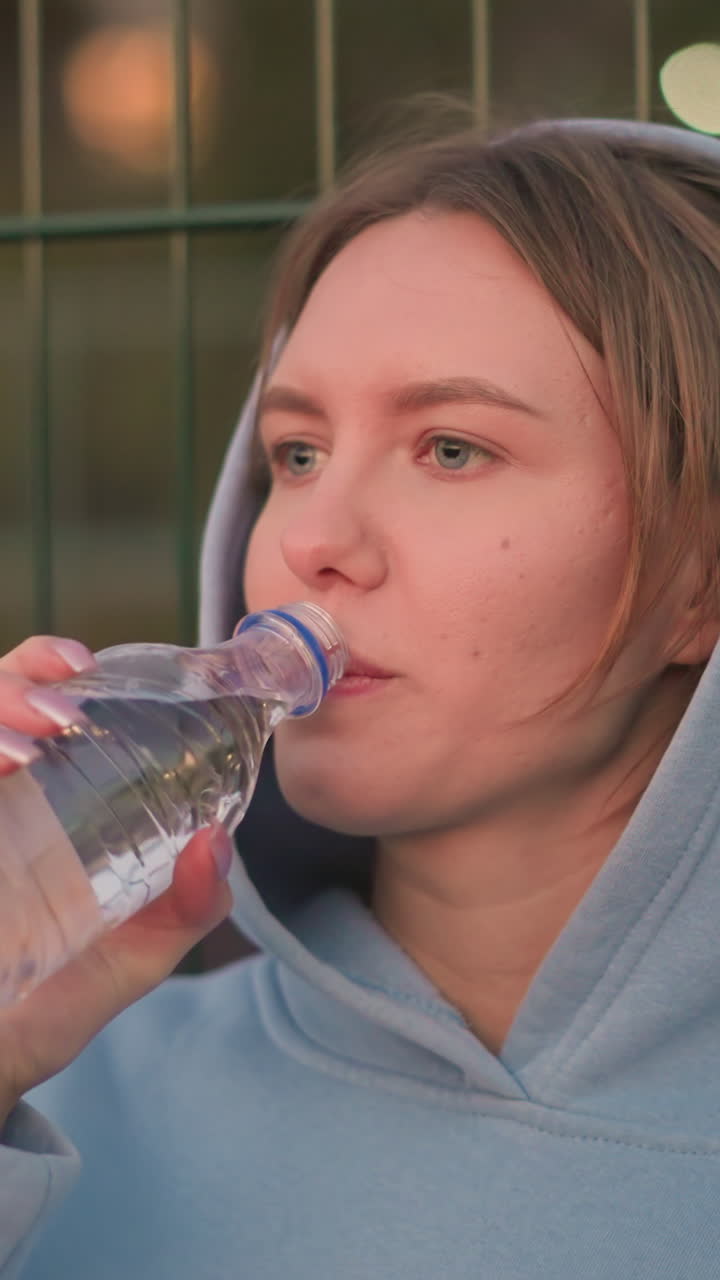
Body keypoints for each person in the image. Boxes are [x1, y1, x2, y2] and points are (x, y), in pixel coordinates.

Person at [1, 110, 720, 1278]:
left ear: (700, 578)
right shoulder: (63, 1093)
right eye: (295, 454)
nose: (314, 540)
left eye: (450, 447)